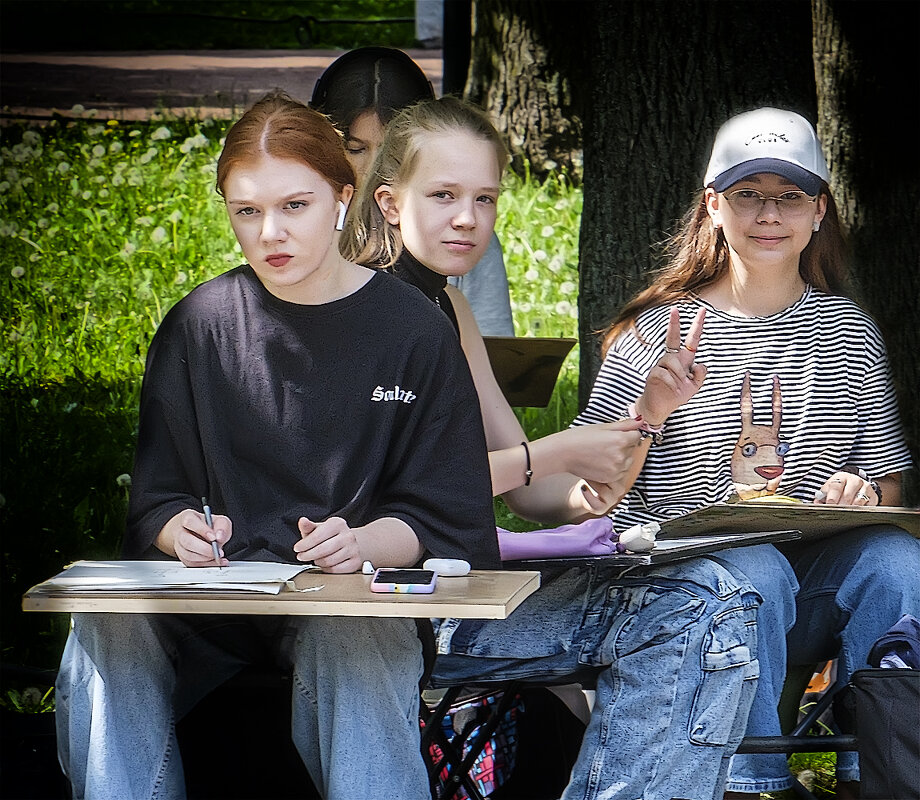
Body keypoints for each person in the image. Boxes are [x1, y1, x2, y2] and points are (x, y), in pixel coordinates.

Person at [53, 91, 500, 800]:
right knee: (107, 621)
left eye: (295, 206)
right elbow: (156, 502)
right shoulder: (199, 324)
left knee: (353, 633)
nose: (270, 233)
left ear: (343, 199)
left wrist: (361, 543)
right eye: (246, 211)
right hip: (215, 600)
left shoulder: (415, 330)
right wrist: (181, 531)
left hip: (348, 599)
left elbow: (449, 514)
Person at [343, 95, 764, 800]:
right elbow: (402, 493)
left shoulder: (450, 307)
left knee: (708, 594)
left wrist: (642, 422)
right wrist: (561, 449)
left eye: (484, 198)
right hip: (390, 607)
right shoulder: (359, 309)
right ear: (389, 202)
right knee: (704, 603)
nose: (468, 218)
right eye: (443, 195)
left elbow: (532, 495)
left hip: (465, 587)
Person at [575, 107, 919, 797]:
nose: (768, 214)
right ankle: (751, 784)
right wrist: (648, 415)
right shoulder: (656, 330)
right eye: (747, 194)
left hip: (805, 589)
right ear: (713, 207)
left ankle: (881, 774)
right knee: (752, 565)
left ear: (819, 210)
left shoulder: (849, 331)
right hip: (676, 596)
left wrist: (862, 492)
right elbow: (586, 490)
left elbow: (892, 483)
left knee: (896, 560)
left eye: (789, 195)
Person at [310, 46, 516, 336]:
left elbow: (496, 345)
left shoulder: (464, 235)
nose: (373, 169)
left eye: (390, 151)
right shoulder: (305, 232)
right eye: (356, 149)